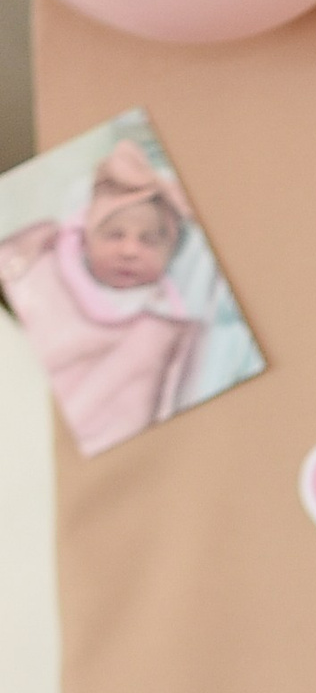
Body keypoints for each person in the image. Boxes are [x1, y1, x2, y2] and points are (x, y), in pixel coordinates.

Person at [0, 136, 203, 457]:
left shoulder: (165, 325)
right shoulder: (46, 269)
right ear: (86, 237)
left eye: (149, 240)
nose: (129, 250)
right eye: (114, 234)